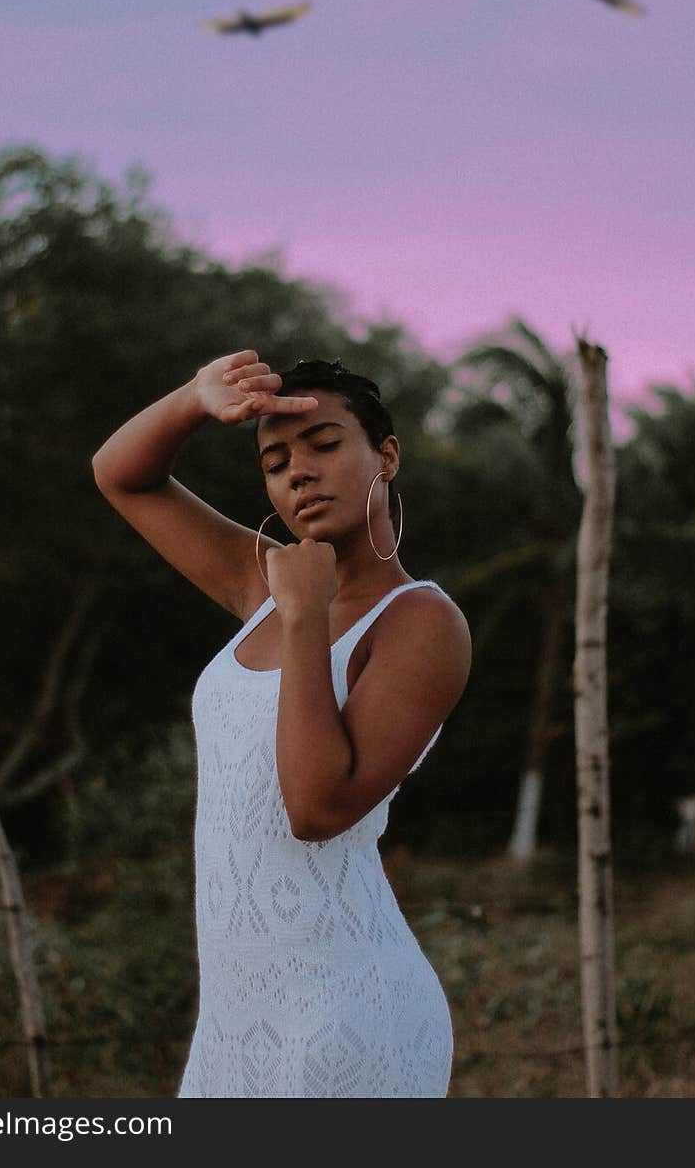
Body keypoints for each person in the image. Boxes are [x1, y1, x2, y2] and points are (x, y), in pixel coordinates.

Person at [92, 349, 471, 1098]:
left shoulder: (421, 621)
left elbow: (315, 806)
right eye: (275, 460)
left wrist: (304, 617)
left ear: (386, 455)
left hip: (349, 1018)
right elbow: (120, 474)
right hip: (233, 1022)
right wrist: (195, 398)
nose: (298, 471)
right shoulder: (259, 581)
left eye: (325, 445)